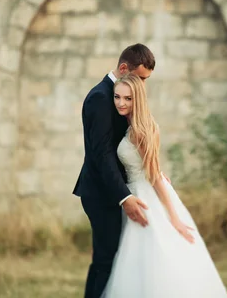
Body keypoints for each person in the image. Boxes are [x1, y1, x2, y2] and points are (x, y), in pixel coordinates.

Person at [101, 73, 227, 298]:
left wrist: (174, 218)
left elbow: (153, 176)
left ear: (138, 99)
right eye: (117, 97)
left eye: (128, 98)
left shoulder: (140, 131)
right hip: (137, 191)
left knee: (150, 256)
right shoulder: (133, 125)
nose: (121, 103)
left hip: (145, 195)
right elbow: (152, 167)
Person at [73, 44, 157, 298]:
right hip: (102, 193)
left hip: (118, 190)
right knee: (106, 262)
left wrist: (151, 174)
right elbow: (102, 154)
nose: (143, 85)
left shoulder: (121, 94)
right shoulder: (101, 97)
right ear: (124, 69)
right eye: (141, 78)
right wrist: (124, 197)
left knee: (112, 260)